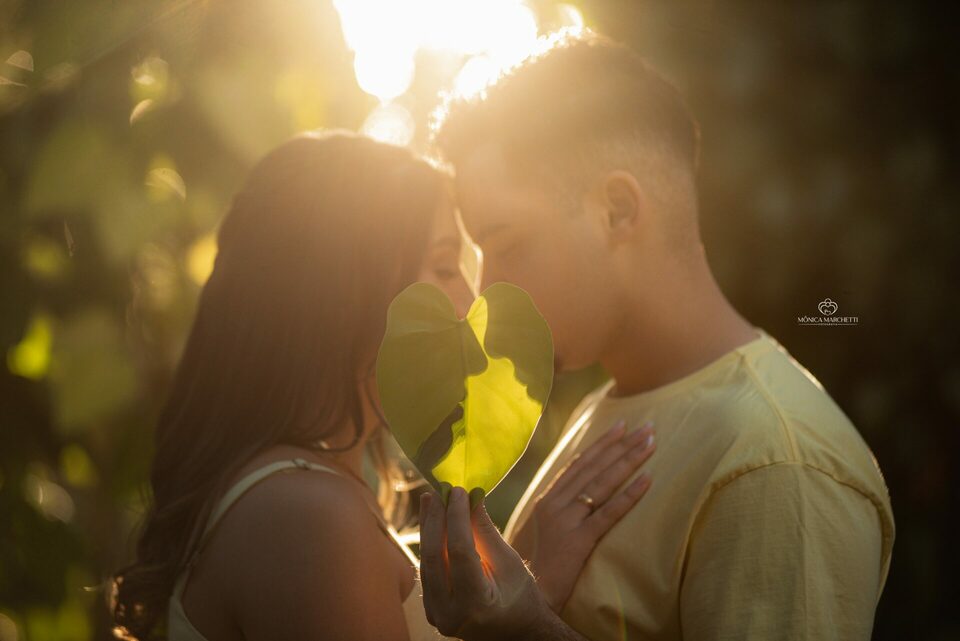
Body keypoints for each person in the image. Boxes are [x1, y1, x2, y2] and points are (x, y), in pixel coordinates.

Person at [418, 31, 895, 641]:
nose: (485, 294)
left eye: (508, 245)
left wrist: (530, 629)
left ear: (617, 209)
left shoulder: (775, 463)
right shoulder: (609, 410)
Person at [110, 130, 657, 641]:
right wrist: (530, 623)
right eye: (445, 267)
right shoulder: (311, 519)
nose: (468, 300)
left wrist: (528, 580)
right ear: (349, 291)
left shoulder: (301, 492)